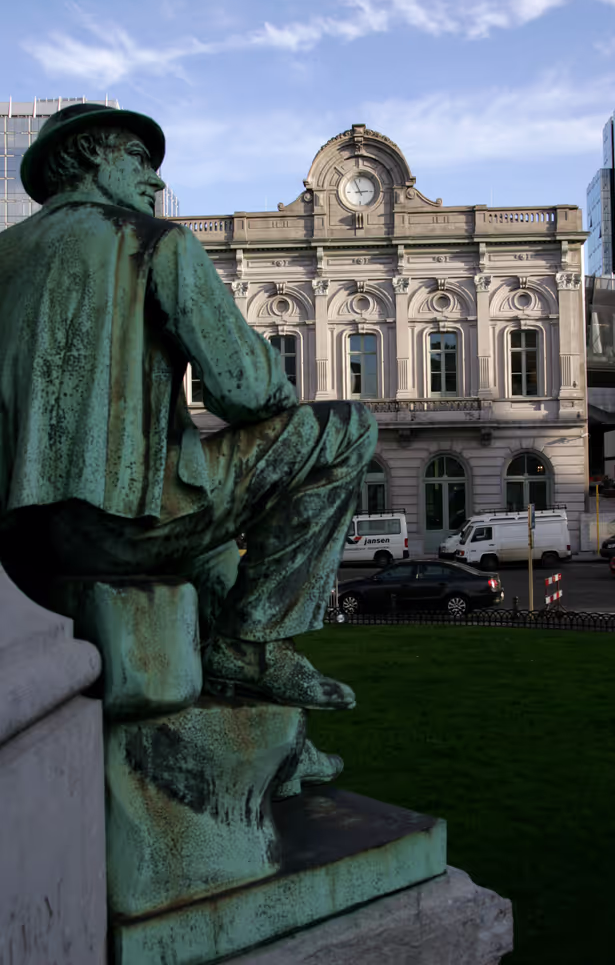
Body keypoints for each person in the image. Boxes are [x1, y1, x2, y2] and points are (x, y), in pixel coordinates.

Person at [0, 103, 377, 711]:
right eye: (138, 159)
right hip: (119, 527)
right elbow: (249, 392)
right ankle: (251, 649)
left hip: (18, 542)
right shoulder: (153, 242)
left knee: (208, 526)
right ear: (92, 155)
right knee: (348, 429)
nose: (154, 180)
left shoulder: (5, 254)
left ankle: (247, 696)